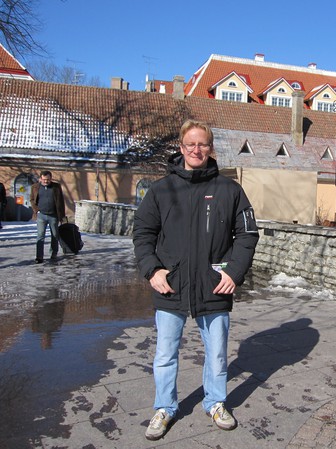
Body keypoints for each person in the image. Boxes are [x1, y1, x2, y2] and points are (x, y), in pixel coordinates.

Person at [133, 120, 259, 440]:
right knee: (165, 354)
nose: (196, 150)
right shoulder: (162, 190)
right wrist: (152, 270)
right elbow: (142, 233)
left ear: (211, 148)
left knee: (216, 352)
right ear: (181, 147)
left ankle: (215, 402)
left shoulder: (229, 190)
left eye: (202, 144)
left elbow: (247, 234)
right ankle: (165, 407)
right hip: (170, 285)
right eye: (190, 144)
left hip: (213, 284)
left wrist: (233, 271)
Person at [30, 171, 66, 263]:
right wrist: (36, 210)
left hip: (53, 215)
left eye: (48, 180)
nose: (46, 181)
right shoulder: (35, 187)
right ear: (40, 179)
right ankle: (39, 257)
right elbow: (32, 199)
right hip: (41, 215)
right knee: (40, 236)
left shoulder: (56, 187)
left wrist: (61, 215)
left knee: (55, 235)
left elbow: (61, 201)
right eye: (44, 179)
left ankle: (53, 253)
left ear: (51, 179)